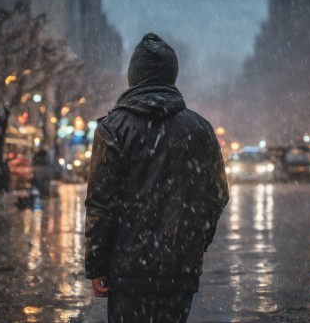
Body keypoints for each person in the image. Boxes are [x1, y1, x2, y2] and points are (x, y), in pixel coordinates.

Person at [84, 33, 229, 323]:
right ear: (171, 75)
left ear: (133, 76)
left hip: (127, 272)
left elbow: (101, 204)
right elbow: (217, 196)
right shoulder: (200, 129)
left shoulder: (113, 129)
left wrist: (96, 265)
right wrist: (195, 242)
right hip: (179, 270)